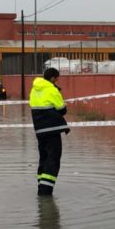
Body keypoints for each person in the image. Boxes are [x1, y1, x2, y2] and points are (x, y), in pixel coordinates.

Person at [29, 68, 69, 196]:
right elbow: (62, 110)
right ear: (52, 78)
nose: (57, 80)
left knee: (44, 158)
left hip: (40, 131)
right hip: (52, 130)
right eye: (57, 78)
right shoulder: (52, 90)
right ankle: (46, 192)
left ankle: (41, 186)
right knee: (53, 158)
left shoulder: (34, 89)